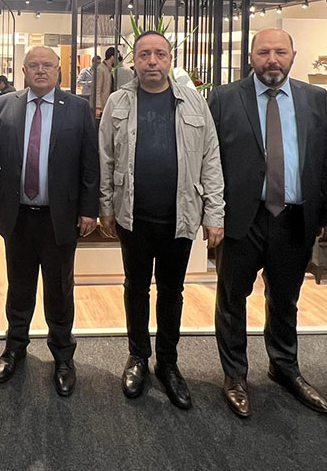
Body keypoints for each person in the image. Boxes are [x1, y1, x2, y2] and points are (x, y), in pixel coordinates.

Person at [208, 29, 327, 419]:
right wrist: (211, 213)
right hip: (241, 218)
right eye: (263, 52)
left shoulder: (315, 98)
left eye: (280, 51)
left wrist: (326, 216)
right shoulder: (224, 98)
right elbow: (209, 159)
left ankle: (284, 367)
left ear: (293, 55)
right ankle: (235, 375)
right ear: (251, 57)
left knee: (285, 299)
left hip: (295, 218)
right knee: (232, 299)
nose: (272, 59)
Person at [97, 31, 224, 410]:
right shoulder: (118, 102)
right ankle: (138, 356)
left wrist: (214, 213)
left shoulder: (194, 102)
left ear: (170, 59)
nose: (152, 61)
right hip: (133, 217)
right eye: (144, 54)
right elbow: (105, 158)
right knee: (135, 288)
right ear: (133, 61)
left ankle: (168, 363)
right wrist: (106, 207)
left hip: (179, 218)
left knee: (172, 292)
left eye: (159, 54)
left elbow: (211, 159)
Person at [0, 47, 99, 396]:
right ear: (23, 71)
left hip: (60, 218)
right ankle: (14, 349)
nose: (41, 70)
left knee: (59, 290)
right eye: (34, 65)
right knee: (19, 287)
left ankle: (63, 356)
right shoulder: (4, 105)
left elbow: (90, 165)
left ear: (59, 71)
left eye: (47, 65)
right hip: (18, 216)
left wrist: (89, 210)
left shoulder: (78, 109)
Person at [93, 47, 133, 118]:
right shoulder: (101, 69)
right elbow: (97, 88)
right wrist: (97, 106)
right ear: (112, 57)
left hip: (107, 104)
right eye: (116, 58)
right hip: (101, 106)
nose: (117, 60)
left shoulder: (108, 69)